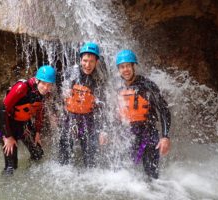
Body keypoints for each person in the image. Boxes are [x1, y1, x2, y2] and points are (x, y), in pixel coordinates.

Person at [114, 49, 171, 179]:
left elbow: (163, 110)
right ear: (119, 69)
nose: (125, 70)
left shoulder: (147, 86)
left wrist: (165, 137)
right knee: (127, 175)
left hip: (148, 134)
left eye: (128, 66)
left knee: (151, 174)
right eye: (122, 67)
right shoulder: (119, 87)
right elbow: (117, 114)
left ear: (134, 66)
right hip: (129, 135)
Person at [0, 65, 56, 175]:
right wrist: (8, 137)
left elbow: (39, 112)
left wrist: (37, 132)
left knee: (38, 154)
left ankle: (29, 176)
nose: (46, 88)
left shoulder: (45, 93)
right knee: (11, 167)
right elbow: (2, 111)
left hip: (24, 125)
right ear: (37, 80)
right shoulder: (22, 88)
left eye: (49, 85)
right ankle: (5, 188)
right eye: (44, 84)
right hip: (9, 126)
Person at [59, 42, 105, 168]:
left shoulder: (98, 78)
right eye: (85, 60)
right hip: (70, 117)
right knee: (64, 158)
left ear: (96, 62)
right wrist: (64, 92)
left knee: (90, 160)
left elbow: (101, 107)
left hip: (88, 119)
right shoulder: (71, 72)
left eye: (91, 61)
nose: (87, 65)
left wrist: (102, 130)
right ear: (80, 59)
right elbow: (60, 92)